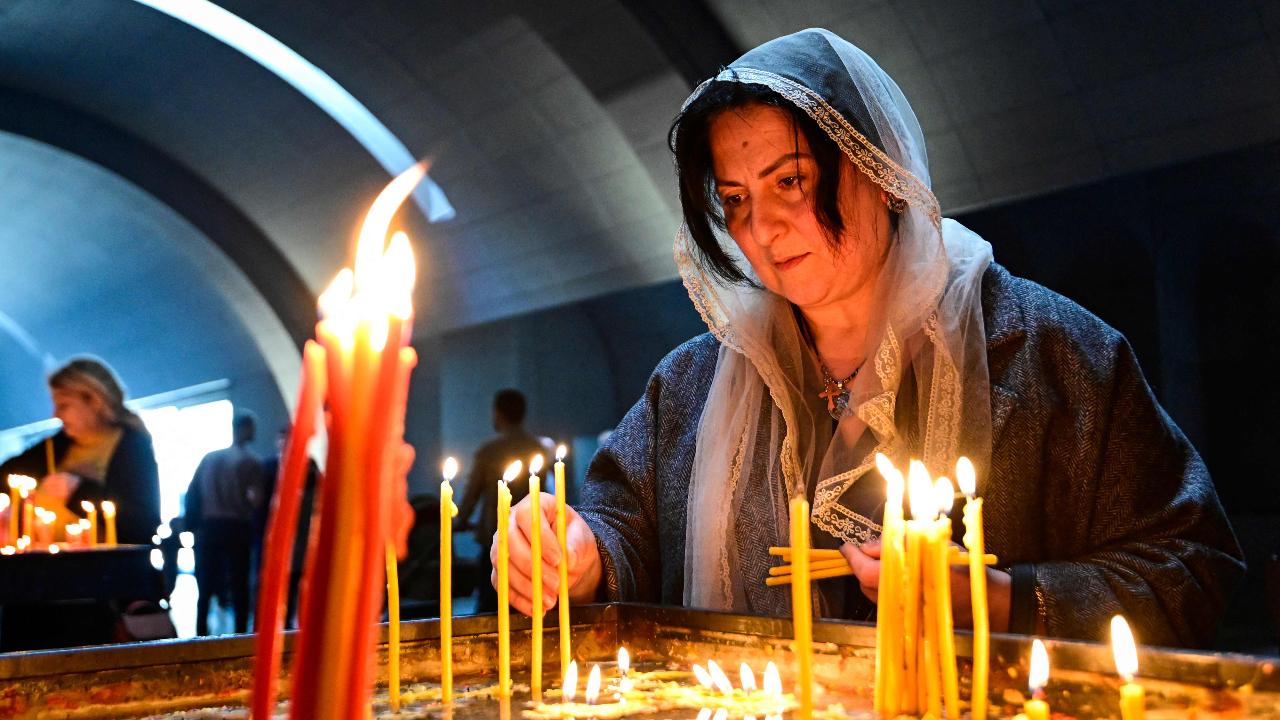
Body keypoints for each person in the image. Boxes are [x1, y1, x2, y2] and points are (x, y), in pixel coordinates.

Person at [495, 28, 1244, 649]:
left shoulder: (1048, 352)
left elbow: (1192, 564)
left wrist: (1006, 600)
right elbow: (624, 527)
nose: (762, 228)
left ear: (881, 170)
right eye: (736, 200)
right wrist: (577, 558)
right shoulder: (692, 384)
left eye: (790, 181)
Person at [0, 356, 161, 649]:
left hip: (98, 592)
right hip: (42, 586)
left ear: (93, 400)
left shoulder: (131, 446)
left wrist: (78, 491)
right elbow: (6, 475)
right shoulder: (57, 444)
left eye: (64, 405)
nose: (56, 414)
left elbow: (142, 523)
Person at [456, 389, 549, 613]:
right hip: (530, 538)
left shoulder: (489, 452)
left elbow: (471, 497)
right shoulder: (537, 449)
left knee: (489, 609)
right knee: (526, 606)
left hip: (494, 540)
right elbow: (543, 493)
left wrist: (458, 522)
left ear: (498, 413)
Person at [186, 410, 262, 635]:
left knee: (205, 583)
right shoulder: (251, 461)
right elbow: (255, 498)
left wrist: (193, 525)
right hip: (236, 527)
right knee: (239, 583)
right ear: (246, 429)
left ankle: (199, 632)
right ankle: (240, 634)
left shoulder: (210, 458)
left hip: (209, 527)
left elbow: (194, 492)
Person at [254, 427, 320, 629]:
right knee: (268, 587)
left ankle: (292, 627)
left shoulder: (310, 467)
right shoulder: (269, 467)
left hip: (301, 537)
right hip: (273, 537)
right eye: (282, 441)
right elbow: (260, 502)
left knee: (296, 584)